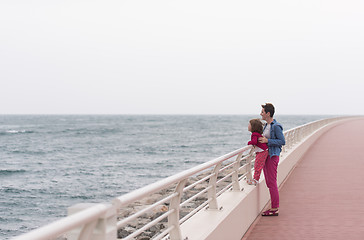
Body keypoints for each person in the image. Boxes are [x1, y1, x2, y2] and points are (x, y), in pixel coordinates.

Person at [258, 103, 285, 216]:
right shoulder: (266, 126)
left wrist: (267, 141)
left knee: (272, 182)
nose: (261, 114)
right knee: (269, 182)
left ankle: (275, 208)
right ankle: (274, 207)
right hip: (266, 156)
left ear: (268, 113)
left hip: (272, 156)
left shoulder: (275, 126)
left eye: (262, 112)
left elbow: (282, 141)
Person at [246, 119, 268, 186]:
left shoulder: (254, 134)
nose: (248, 126)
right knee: (258, 165)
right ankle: (255, 179)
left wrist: (249, 143)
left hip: (262, 151)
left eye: (249, 125)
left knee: (257, 166)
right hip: (263, 151)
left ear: (253, 127)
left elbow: (254, 142)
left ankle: (256, 180)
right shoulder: (257, 134)